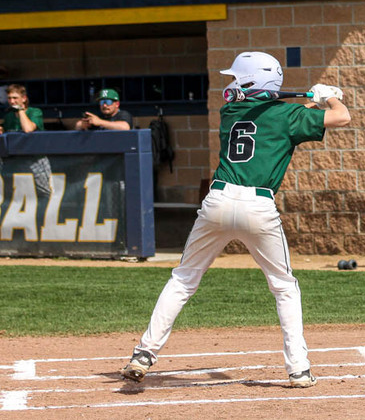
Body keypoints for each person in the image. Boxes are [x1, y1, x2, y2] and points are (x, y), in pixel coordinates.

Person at [120, 51, 350, 388]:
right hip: (258, 208)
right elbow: (340, 117)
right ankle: (298, 369)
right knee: (284, 286)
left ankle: (144, 353)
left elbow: (278, 119)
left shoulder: (231, 112)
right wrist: (328, 96)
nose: (231, 82)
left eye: (236, 77)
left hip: (217, 202)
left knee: (183, 279)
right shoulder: (285, 115)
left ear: (250, 82)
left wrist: (313, 102)